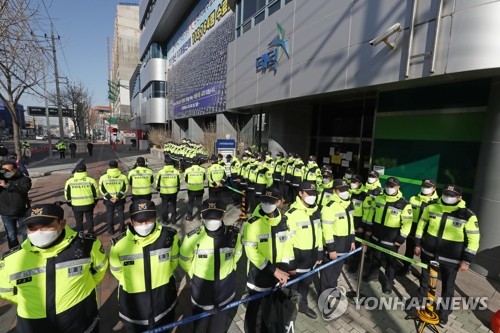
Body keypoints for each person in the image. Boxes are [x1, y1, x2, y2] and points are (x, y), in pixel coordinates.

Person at [0, 203, 108, 332]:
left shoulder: (87, 246)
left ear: (62, 224)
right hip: (34, 325)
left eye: (46, 226)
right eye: (32, 228)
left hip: (79, 320)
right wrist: (32, 303)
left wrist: (80, 292)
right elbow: (6, 291)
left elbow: (99, 270)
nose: (39, 232)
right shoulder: (11, 259)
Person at [414, 184, 480, 325]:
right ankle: (419, 300)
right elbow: (421, 225)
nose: (447, 197)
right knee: (425, 279)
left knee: (448, 286)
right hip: (428, 253)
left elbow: (474, 239)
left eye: (452, 195)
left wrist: (467, 260)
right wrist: (418, 244)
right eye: (446, 194)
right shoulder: (431, 207)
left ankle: (444, 313)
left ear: (459, 197)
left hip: (451, 259)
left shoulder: (467, 215)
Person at [110, 200, 179, 332]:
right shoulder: (119, 244)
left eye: (149, 219)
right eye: (139, 221)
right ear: (131, 221)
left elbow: (173, 262)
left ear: (155, 217)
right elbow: (116, 270)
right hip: (134, 305)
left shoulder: (169, 236)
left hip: (164, 301)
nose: (144, 224)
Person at [179, 199, 242, 333]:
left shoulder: (233, 235)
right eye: (209, 217)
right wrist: (194, 274)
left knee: (219, 327)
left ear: (223, 216)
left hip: (226, 290)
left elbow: (237, 254)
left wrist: (230, 270)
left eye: (217, 216)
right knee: (200, 327)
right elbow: (184, 261)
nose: (213, 221)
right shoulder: (192, 238)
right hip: (202, 291)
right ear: (201, 216)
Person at [243, 187, 296, 333]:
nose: (266, 204)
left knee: (270, 311)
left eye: (271, 201)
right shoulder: (252, 224)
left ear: (279, 202)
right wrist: (273, 270)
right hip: (258, 278)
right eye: (264, 200)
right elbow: (251, 252)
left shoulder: (284, 221)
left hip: (278, 277)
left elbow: (288, 246)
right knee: (254, 313)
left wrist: (288, 268)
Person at [363, 177, 412, 294]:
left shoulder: (404, 204)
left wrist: (400, 239)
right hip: (376, 236)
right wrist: (369, 228)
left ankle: (388, 283)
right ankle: (373, 274)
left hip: (392, 240)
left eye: (392, 186)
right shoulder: (379, 198)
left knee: (390, 262)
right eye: (388, 185)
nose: (389, 188)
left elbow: (407, 224)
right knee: (375, 257)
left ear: (398, 188)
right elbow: (371, 213)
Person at [286, 180, 323, 319]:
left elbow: (319, 232)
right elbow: (287, 242)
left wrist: (319, 252)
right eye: (309, 193)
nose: (312, 196)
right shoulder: (292, 214)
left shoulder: (316, 210)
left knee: (306, 285)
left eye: (314, 193)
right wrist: (290, 263)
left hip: (312, 258)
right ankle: (290, 310)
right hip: (297, 259)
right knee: (293, 287)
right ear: (301, 193)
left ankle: (303, 306)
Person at [320, 179, 355, 294]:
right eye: (341, 190)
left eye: (346, 190)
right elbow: (327, 230)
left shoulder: (349, 204)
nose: (345, 192)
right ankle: (324, 296)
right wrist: (331, 249)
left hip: (345, 244)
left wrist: (352, 240)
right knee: (327, 273)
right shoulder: (329, 207)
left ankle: (332, 289)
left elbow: (351, 224)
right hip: (334, 247)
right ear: (335, 191)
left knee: (336, 271)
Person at [399, 179, 438, 276]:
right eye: (424, 186)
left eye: (428, 187)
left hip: (426, 233)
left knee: (425, 256)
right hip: (412, 229)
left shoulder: (437, 204)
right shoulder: (413, 198)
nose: (425, 189)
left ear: (434, 189)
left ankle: (424, 277)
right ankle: (406, 268)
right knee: (409, 251)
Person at [0, 160, 31, 248]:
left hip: (22, 211)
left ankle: (27, 250)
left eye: (8, 170)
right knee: (11, 235)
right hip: (6, 213)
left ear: (15, 169)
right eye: (4, 170)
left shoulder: (23, 178)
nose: (6, 172)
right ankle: (14, 253)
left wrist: (7, 186)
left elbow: (24, 189)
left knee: (26, 233)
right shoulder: (2, 179)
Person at [64, 163, 98, 233]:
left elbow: (67, 193)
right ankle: (91, 233)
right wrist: (95, 201)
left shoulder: (69, 181)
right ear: (85, 170)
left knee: (78, 221)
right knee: (89, 219)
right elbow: (96, 192)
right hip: (89, 203)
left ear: (76, 170)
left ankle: (80, 234)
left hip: (76, 205)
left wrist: (69, 202)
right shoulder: (91, 180)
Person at [99, 160, 129, 235]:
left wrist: (110, 197)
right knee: (121, 214)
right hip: (120, 199)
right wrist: (118, 197)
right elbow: (125, 188)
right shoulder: (123, 177)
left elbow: (102, 188)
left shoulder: (103, 177)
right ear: (117, 166)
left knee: (110, 214)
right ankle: (122, 229)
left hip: (109, 200)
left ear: (109, 166)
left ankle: (111, 230)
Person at [347, 174, 369, 273]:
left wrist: (362, 226)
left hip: (358, 223)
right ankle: (347, 260)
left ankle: (354, 265)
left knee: (357, 245)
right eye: (351, 181)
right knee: (347, 242)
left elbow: (367, 213)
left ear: (360, 183)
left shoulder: (365, 196)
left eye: (354, 182)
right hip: (348, 221)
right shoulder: (348, 193)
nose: (352, 183)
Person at [156, 156, 180, 224]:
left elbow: (157, 182)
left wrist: (158, 189)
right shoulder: (176, 172)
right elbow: (179, 182)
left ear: (165, 163)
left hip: (164, 192)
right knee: (173, 205)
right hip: (173, 192)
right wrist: (177, 189)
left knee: (164, 206)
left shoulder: (161, 172)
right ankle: (173, 220)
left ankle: (165, 220)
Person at [184, 157, 206, 221]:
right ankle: (199, 216)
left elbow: (186, 180)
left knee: (190, 203)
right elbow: (204, 178)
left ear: (192, 162)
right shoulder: (203, 169)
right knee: (199, 203)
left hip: (191, 189)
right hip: (200, 189)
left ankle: (189, 217)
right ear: (198, 162)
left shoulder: (188, 170)